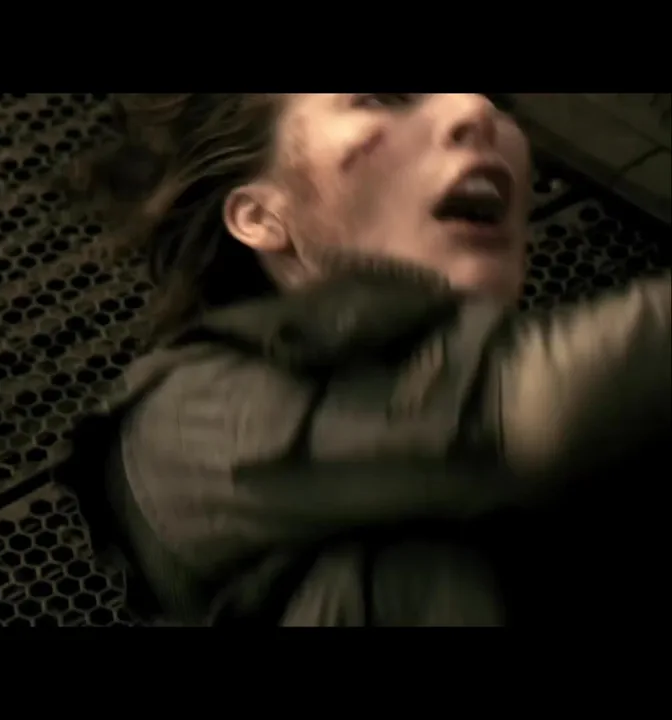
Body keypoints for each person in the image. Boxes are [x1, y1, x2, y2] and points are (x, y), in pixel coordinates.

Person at [57, 94, 671, 626]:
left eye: (495, 97)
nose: (476, 108)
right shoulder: (183, 418)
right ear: (261, 216)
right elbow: (526, 412)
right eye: (380, 96)